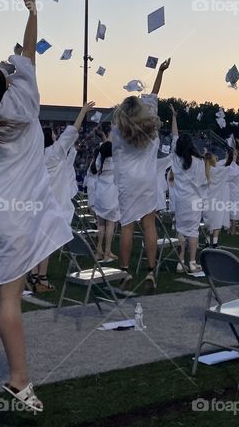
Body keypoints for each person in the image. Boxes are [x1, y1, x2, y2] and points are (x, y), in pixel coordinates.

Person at [0, 0, 72, 413]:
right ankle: (19, 380)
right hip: (14, 215)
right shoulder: (24, 99)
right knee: (9, 298)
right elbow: (29, 51)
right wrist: (33, 10)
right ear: (5, 83)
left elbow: (13, 65)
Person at [112, 58, 171, 293]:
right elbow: (154, 96)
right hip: (147, 181)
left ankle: (125, 272)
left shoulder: (118, 131)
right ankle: (150, 273)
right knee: (149, 226)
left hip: (127, 181)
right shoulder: (152, 129)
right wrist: (160, 72)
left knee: (127, 227)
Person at [27, 101, 94, 295]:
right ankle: (42, 278)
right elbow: (72, 131)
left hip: (37, 203)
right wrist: (82, 111)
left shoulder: (35, 155)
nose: (57, 136)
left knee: (38, 239)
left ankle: (33, 273)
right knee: (48, 241)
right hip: (54, 204)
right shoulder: (55, 152)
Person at [169, 106, 204, 273]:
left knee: (181, 231)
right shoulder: (199, 162)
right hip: (194, 200)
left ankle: (180, 261)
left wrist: (174, 117)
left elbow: (174, 136)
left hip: (180, 199)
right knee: (193, 231)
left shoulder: (175, 158)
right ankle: (192, 262)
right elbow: (203, 183)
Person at [87, 133, 119, 262]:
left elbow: (105, 148)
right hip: (112, 194)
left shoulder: (99, 161)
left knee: (100, 224)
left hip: (100, 194)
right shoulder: (115, 161)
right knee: (110, 224)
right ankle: (107, 252)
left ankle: (98, 251)